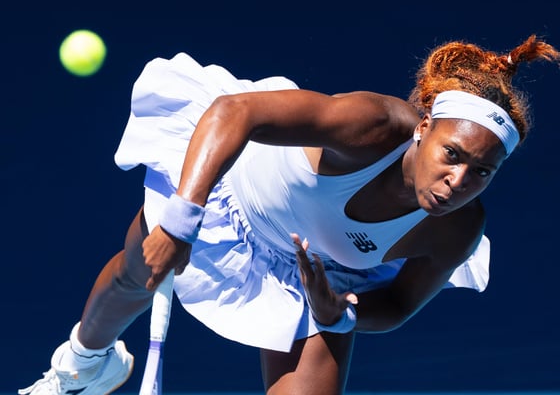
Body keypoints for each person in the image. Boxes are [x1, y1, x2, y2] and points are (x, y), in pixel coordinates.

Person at [19, 34, 559, 395]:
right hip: (230, 193)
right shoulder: (372, 125)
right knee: (136, 272)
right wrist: (183, 217)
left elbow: (397, 304)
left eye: (481, 172)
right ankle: (82, 367)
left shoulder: (458, 228)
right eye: (452, 155)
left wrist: (341, 313)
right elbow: (235, 111)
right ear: (423, 129)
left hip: (312, 272)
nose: (458, 181)